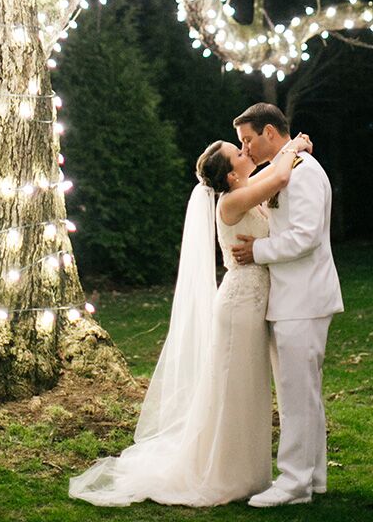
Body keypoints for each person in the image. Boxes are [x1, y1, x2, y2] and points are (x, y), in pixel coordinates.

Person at [68, 129, 313, 507]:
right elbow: (279, 176)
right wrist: (294, 146)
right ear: (231, 175)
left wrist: (284, 151)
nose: (247, 150)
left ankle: (247, 472)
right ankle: (226, 474)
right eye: (240, 150)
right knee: (236, 388)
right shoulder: (231, 202)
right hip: (240, 306)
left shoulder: (245, 187)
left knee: (250, 389)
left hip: (255, 302)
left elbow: (272, 173)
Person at [232, 102, 344, 508]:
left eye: (248, 140)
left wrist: (258, 250)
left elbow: (306, 236)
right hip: (293, 299)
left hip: (305, 298)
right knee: (303, 393)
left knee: (297, 396)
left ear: (270, 133)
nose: (245, 149)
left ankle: (293, 482)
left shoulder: (306, 173)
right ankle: (313, 479)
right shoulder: (287, 166)